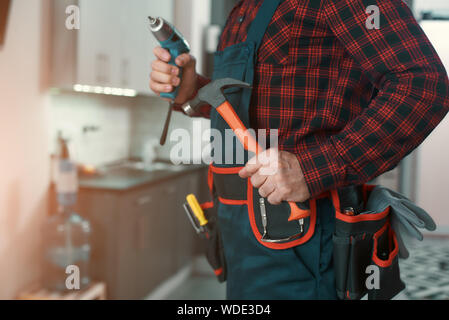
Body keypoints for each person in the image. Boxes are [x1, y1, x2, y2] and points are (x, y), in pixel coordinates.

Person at [150, 0, 449, 299]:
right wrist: (194, 91)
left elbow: (423, 85)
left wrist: (313, 167)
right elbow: (258, 107)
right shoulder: (244, 8)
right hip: (239, 235)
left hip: (302, 237)